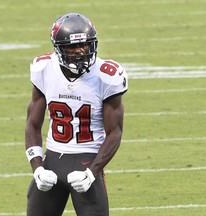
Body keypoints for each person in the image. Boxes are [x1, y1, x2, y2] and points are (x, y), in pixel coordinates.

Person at [25, 12, 128, 216]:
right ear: (59, 48)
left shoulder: (106, 76)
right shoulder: (44, 68)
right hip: (52, 160)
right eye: (72, 46)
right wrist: (37, 168)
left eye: (85, 45)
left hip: (87, 160)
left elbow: (115, 133)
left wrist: (92, 173)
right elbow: (32, 125)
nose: (80, 51)